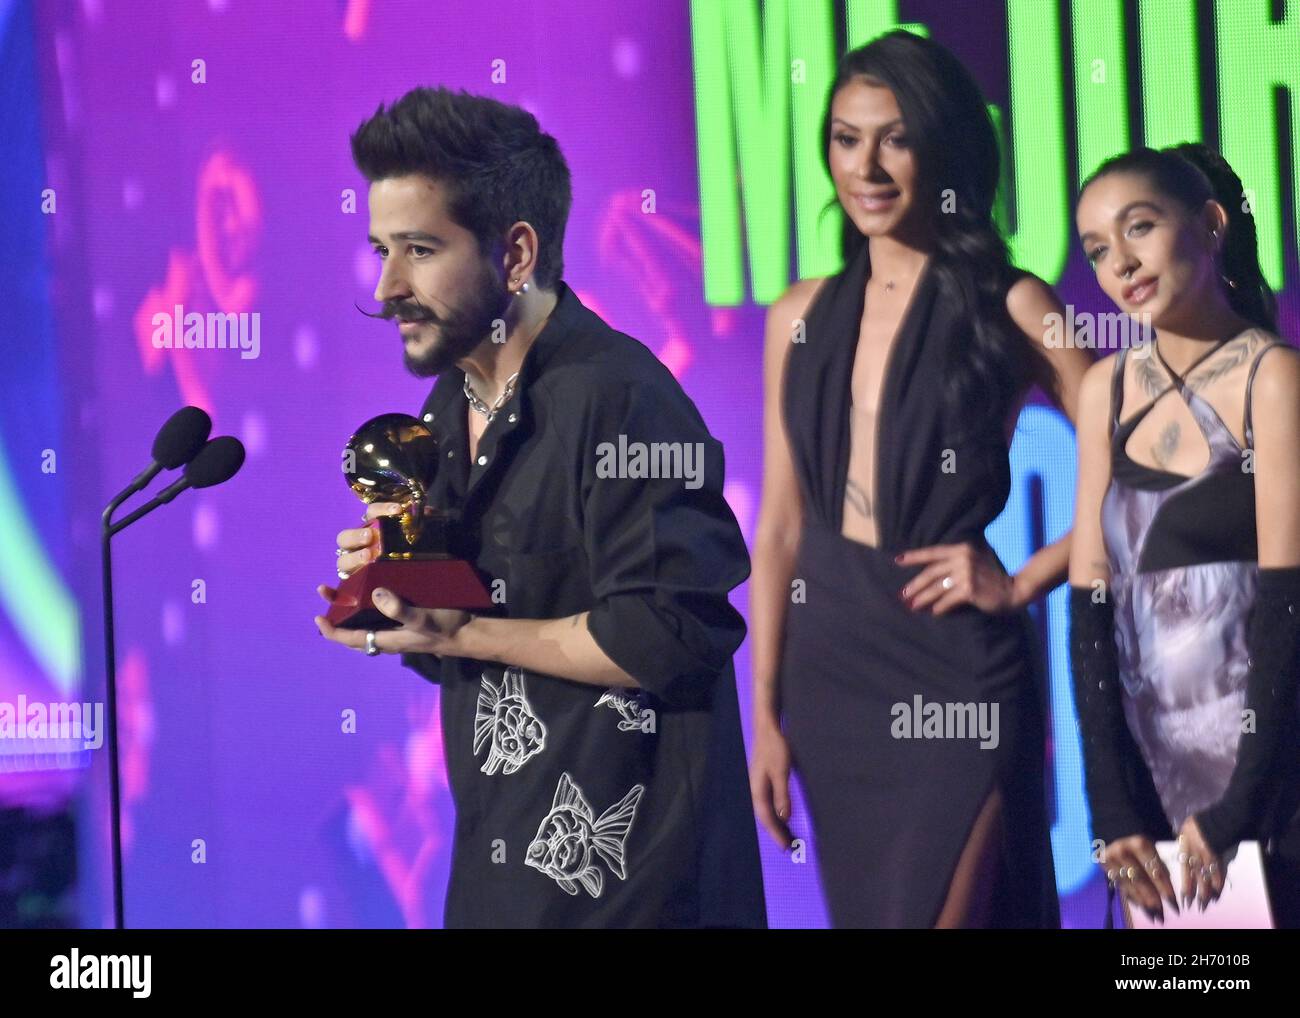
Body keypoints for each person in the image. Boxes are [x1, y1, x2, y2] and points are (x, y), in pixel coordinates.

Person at [313, 86, 765, 928]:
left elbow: (667, 634)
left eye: (418, 249)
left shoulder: (620, 399)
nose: (387, 285)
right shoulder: (445, 413)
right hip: (501, 879)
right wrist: (403, 602)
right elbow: (477, 649)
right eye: (380, 249)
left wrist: (460, 630)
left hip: (633, 892)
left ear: (514, 253)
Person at [748, 31, 1092, 927]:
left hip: (956, 666)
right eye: (844, 137)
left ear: (941, 148)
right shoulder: (796, 316)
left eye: (894, 138)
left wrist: (1023, 577)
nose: (865, 166)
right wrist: (767, 712)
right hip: (832, 678)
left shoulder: (1013, 303)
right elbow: (780, 526)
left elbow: (1134, 451)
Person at [1069, 142, 1300, 927]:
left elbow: (1287, 610)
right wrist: (1110, 806)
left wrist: (1240, 810)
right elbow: (1088, 613)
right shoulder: (1105, 390)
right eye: (1098, 250)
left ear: (1209, 224)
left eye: (1139, 228)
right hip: (1150, 790)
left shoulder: (1272, 379)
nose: (1120, 263)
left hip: (1269, 787)